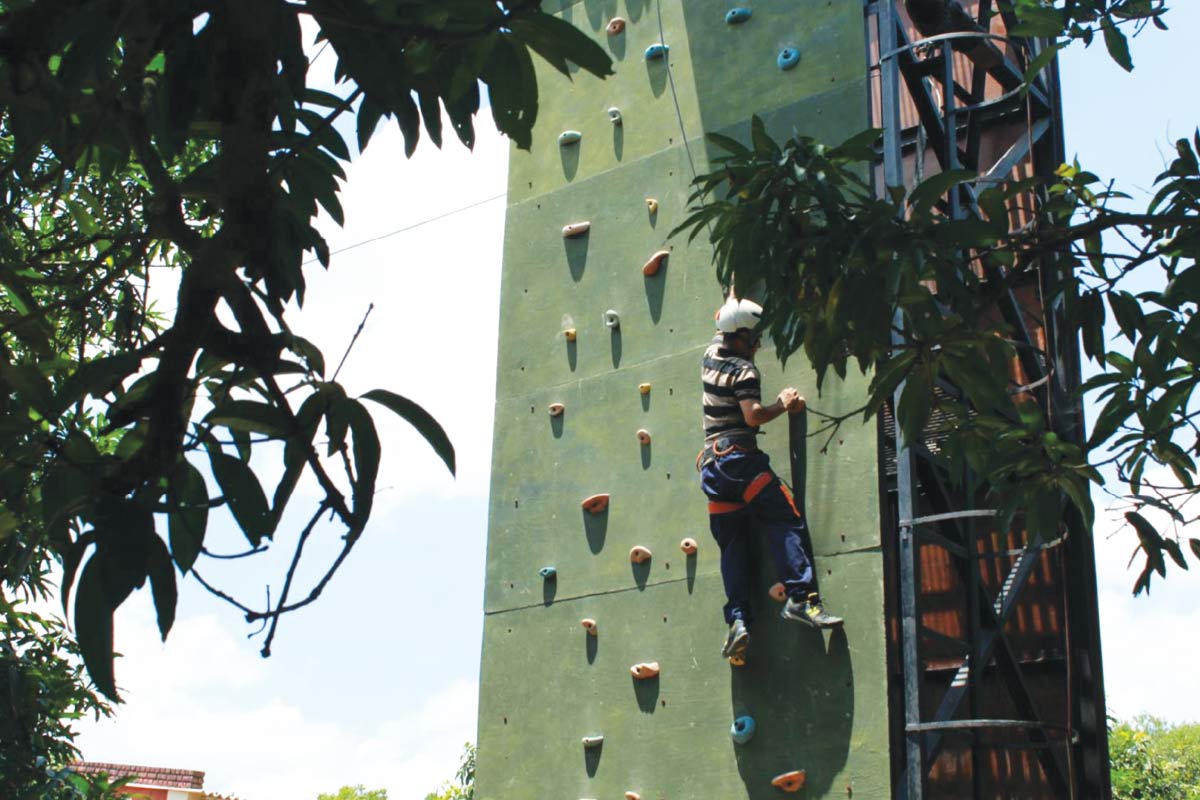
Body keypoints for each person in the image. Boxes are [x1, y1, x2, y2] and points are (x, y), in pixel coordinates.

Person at [698, 293, 843, 663]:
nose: (758, 343)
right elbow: (753, 416)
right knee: (784, 517)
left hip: (713, 471)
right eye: (754, 337)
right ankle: (801, 598)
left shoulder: (710, 356)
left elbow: (720, 321)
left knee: (733, 546)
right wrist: (785, 403)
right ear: (740, 336)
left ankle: (738, 621)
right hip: (740, 460)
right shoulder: (744, 371)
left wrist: (732, 298)